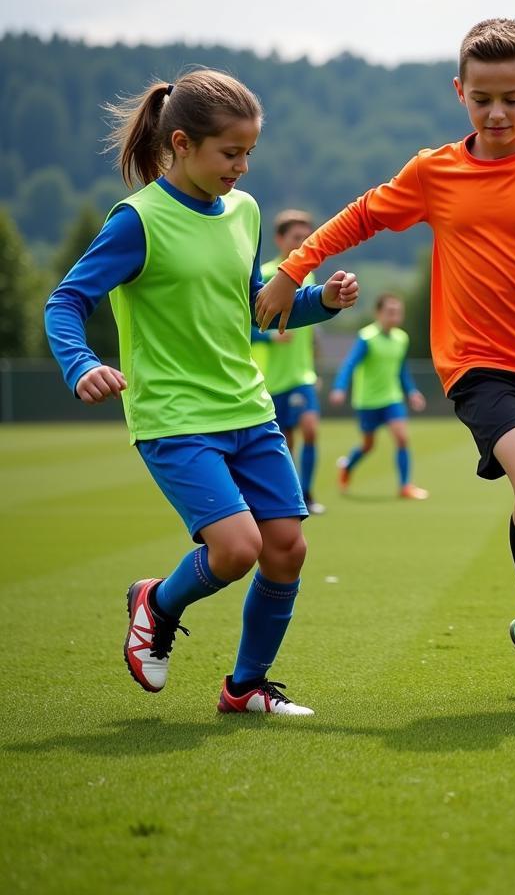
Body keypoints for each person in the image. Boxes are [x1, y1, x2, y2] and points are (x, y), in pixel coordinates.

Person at [255, 18, 515, 710]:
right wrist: (294, 269)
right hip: (477, 364)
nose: (497, 113)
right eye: (482, 99)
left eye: (512, 98)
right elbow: (360, 217)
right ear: (459, 94)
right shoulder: (434, 171)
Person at [44, 69, 359, 716]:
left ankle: (245, 688)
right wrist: (80, 365)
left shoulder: (244, 213)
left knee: (287, 549)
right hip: (174, 417)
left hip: (248, 407)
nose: (241, 167)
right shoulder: (138, 221)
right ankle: (155, 603)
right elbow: (66, 300)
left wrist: (320, 303)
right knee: (237, 548)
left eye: (249, 153)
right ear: (181, 143)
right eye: (229, 153)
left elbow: (252, 308)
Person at [254, 209, 327, 515]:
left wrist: (314, 364)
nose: (302, 243)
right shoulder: (267, 276)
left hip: (301, 376)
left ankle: (308, 494)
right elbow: (243, 326)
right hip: (270, 378)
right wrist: (269, 338)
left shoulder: (307, 274)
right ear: (279, 239)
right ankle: (292, 497)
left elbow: (309, 330)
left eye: (306, 237)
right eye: (296, 237)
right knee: (286, 442)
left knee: (310, 429)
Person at [330, 293, 429, 500]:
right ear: (378, 313)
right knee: (368, 445)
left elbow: (401, 369)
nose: (394, 317)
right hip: (367, 401)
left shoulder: (402, 338)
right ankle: (347, 466)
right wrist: (340, 387)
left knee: (402, 439)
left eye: (398, 312)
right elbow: (350, 364)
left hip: (392, 398)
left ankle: (405, 486)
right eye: (390, 312)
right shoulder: (366, 338)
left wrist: (411, 392)